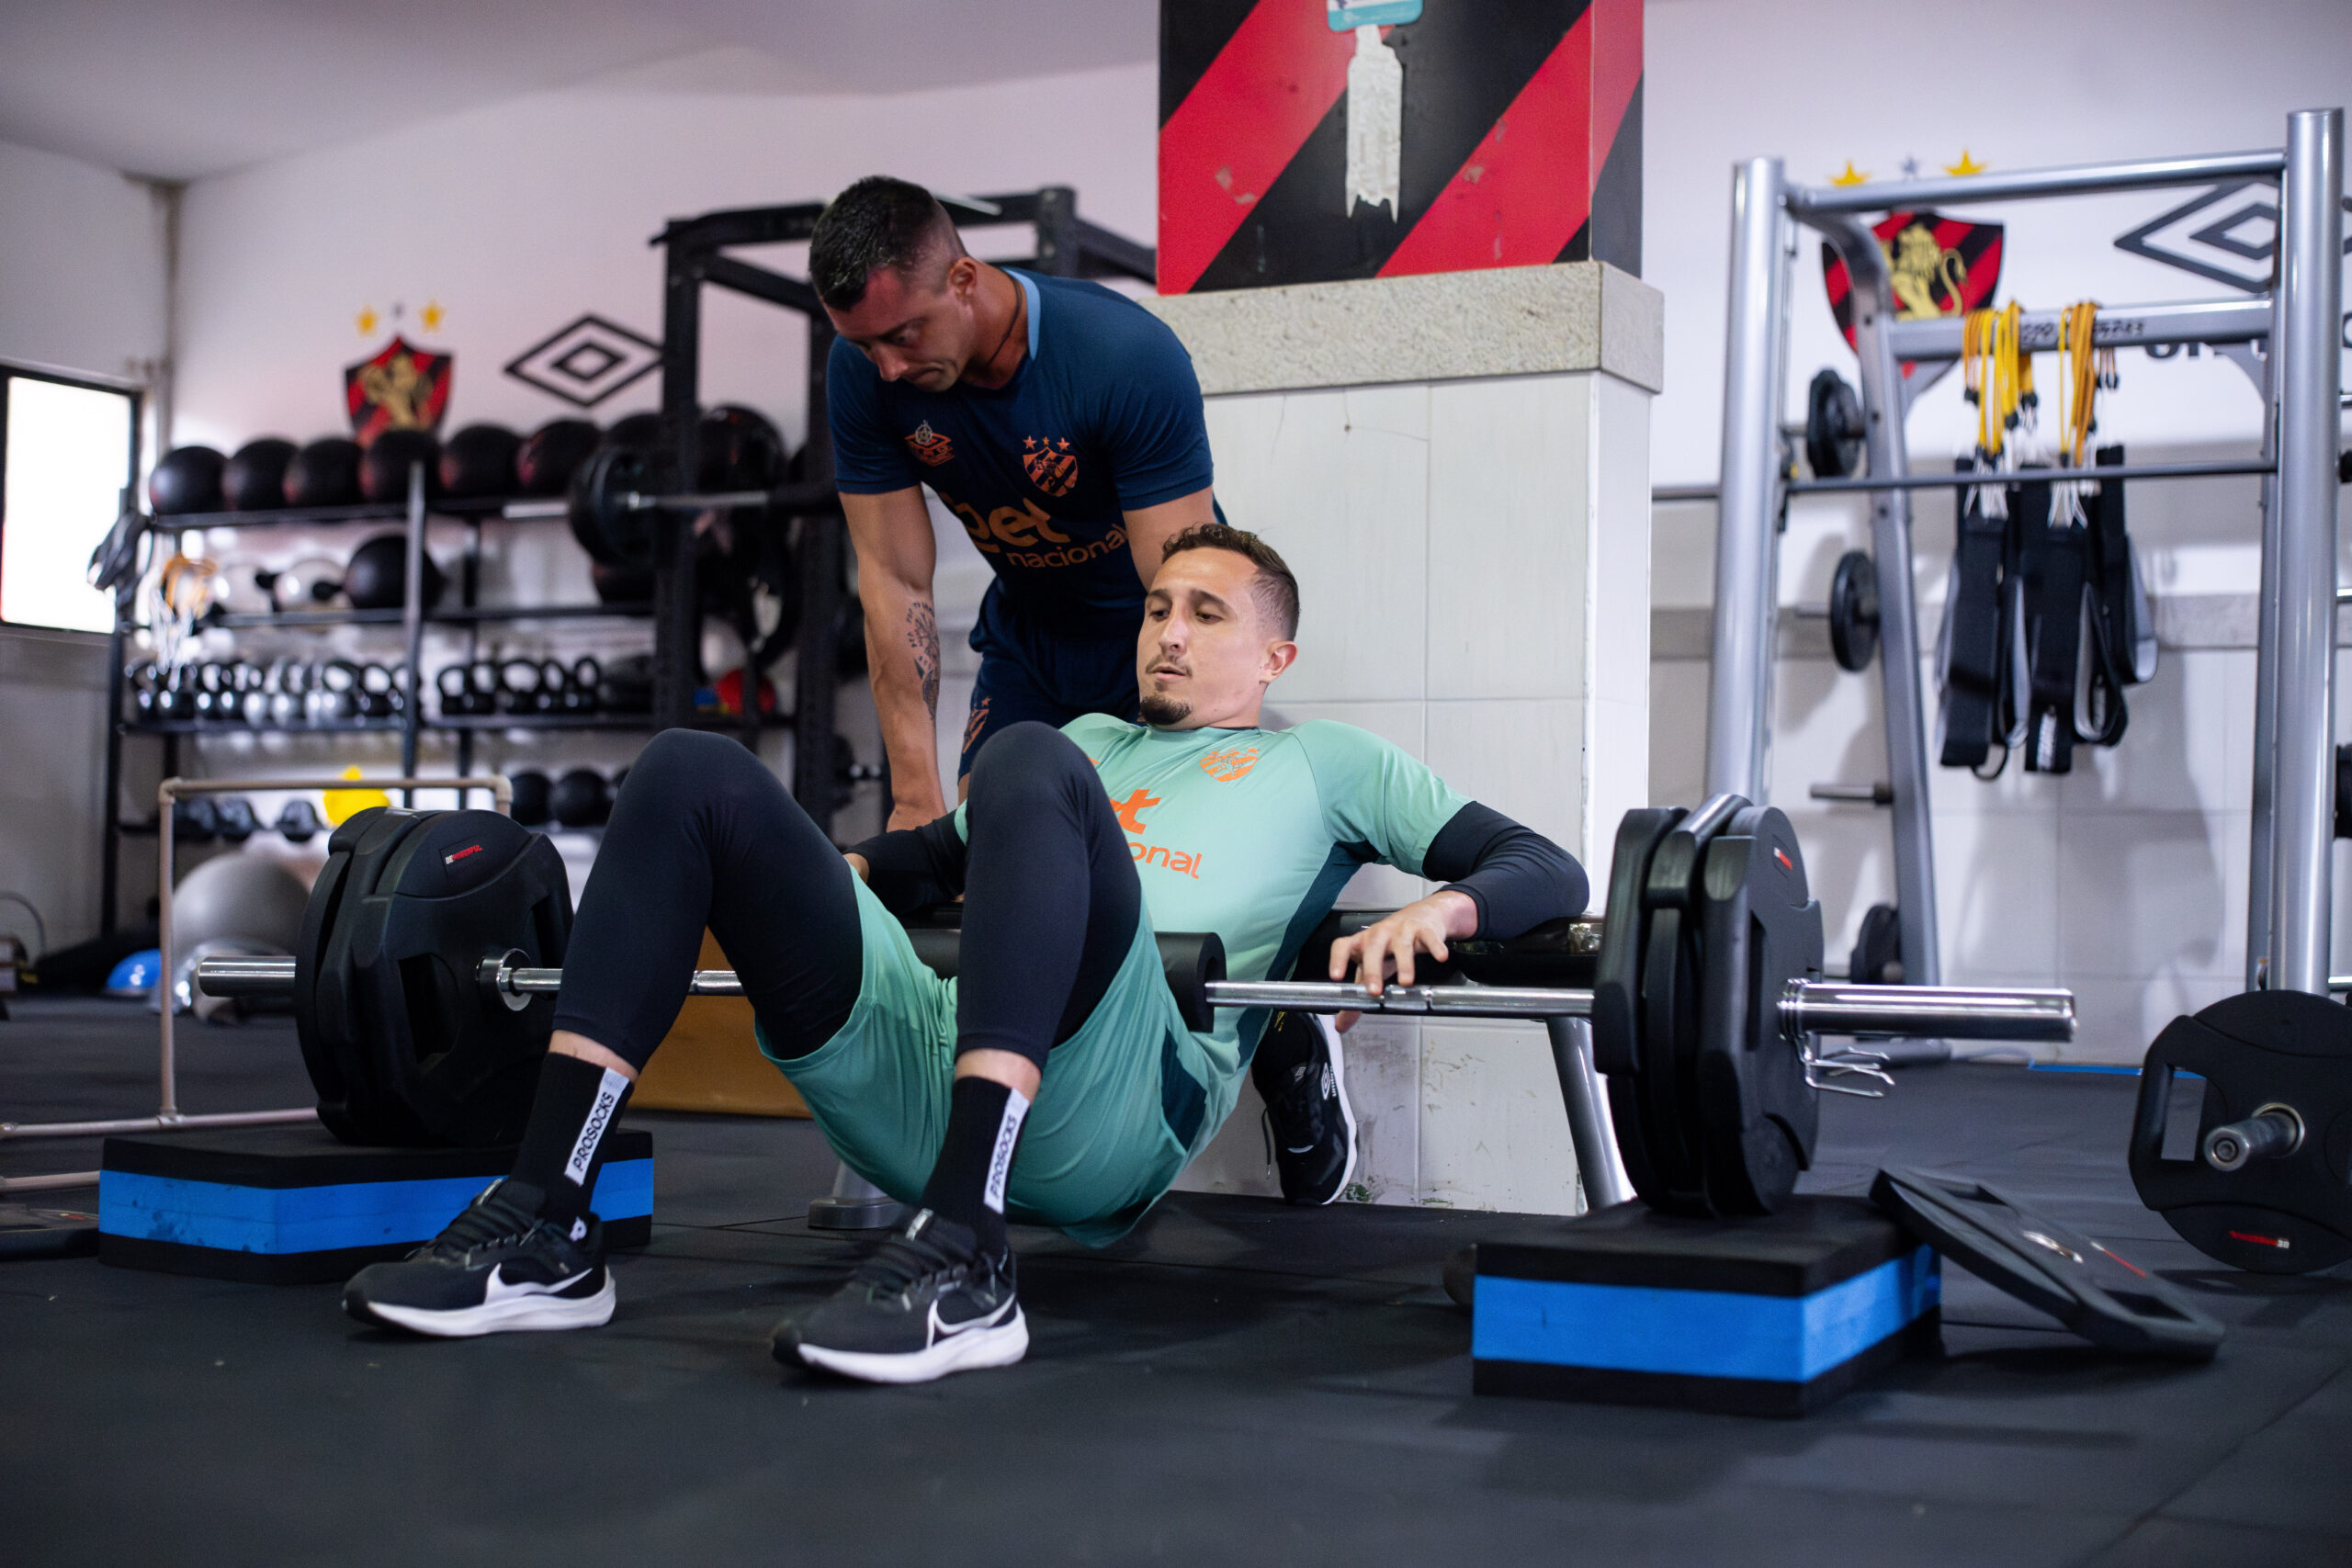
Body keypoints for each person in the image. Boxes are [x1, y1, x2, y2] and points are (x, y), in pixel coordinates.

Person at [343, 525, 1587, 1384]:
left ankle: (967, 1257)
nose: (1166, 632)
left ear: (1275, 657)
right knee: (689, 771)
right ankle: (548, 1218)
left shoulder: (1325, 762)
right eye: (1158, 607)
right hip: (927, 1062)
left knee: (1029, 754)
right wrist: (790, 878)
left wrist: (1441, 911)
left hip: (1114, 1102)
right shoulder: (1091, 739)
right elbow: (918, 861)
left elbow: (1544, 867)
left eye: (1206, 614)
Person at [812, 175, 1354, 1204]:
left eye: (904, 335)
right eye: (865, 345)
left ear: (963, 278)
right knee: (981, 872)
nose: (887, 366)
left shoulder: (1119, 356)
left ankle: (1284, 1037)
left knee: (1170, 881)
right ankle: (953, 1149)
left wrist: (1177, 759)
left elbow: (1181, 589)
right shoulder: (865, 371)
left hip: (1143, 639)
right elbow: (893, 583)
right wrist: (915, 795)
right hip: (1030, 647)